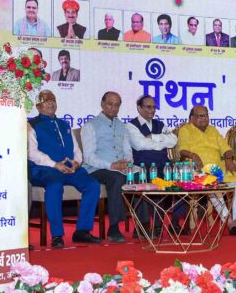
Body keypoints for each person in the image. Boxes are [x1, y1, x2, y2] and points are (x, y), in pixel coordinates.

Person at [27, 90, 101, 248]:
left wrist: (77, 162)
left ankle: (82, 231)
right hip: (45, 169)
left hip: (70, 169)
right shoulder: (32, 125)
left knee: (92, 185)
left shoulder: (64, 125)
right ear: (38, 106)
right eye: (46, 100)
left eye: (53, 100)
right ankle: (57, 235)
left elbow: (76, 150)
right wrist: (55, 164)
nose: (51, 103)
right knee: (55, 186)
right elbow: (32, 153)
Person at [176, 105, 236, 234]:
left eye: (206, 115)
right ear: (191, 118)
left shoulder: (213, 130)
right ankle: (228, 221)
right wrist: (193, 155)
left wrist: (228, 158)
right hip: (198, 170)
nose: (204, 118)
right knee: (211, 184)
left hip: (219, 169)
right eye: (200, 116)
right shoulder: (186, 130)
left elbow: (226, 148)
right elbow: (182, 150)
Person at [126, 95, 192, 237]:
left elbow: (173, 140)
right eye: (148, 107)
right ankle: (156, 226)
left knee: (183, 182)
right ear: (139, 108)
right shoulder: (131, 126)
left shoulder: (160, 124)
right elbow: (140, 144)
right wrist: (162, 142)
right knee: (155, 183)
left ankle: (175, 222)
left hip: (164, 165)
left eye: (154, 107)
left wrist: (153, 137)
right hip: (144, 166)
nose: (152, 110)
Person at [81, 92, 134, 243]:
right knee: (117, 178)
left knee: (140, 176)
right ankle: (114, 227)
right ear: (102, 104)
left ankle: (143, 226)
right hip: (96, 169)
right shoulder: (90, 126)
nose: (113, 108)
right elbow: (89, 157)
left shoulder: (123, 126)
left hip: (119, 168)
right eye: (110, 104)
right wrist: (111, 165)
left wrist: (127, 163)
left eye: (117, 105)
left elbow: (127, 151)